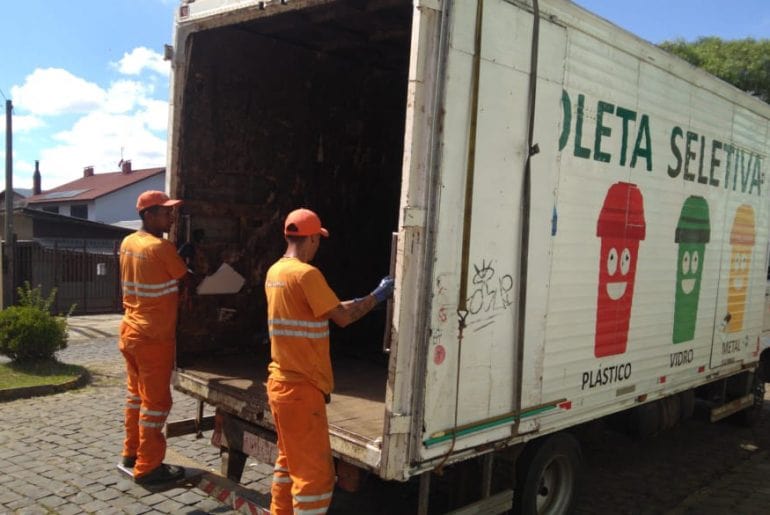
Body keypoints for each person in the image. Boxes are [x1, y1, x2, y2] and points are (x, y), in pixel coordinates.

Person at [265, 208, 394, 515]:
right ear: (310, 238)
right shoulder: (307, 274)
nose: (318, 245)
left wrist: (370, 300)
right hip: (302, 390)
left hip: (281, 384)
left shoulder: (276, 272)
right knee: (317, 480)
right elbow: (344, 318)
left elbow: (332, 309)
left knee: (288, 464)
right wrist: (379, 295)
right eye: (317, 240)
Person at [118, 190, 189, 485]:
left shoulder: (128, 242)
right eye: (165, 212)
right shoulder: (161, 248)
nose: (171, 217)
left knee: (136, 398)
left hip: (131, 332)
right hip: (154, 337)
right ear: (148, 215)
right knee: (156, 404)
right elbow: (184, 278)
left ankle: (131, 452)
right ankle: (148, 466)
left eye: (171, 212)